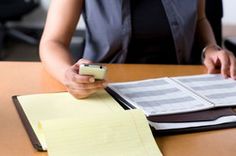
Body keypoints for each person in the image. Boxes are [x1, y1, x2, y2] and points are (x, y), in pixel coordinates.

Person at [39, 0, 236, 99]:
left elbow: (200, 19)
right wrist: (67, 74)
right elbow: (52, 42)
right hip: (106, 89)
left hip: (178, 88)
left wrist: (210, 48)